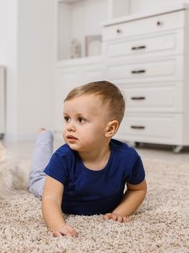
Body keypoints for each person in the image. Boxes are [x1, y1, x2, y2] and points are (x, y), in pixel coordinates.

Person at [29, 80, 147, 237]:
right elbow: (50, 198)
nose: (70, 126)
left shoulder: (128, 158)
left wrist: (121, 212)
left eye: (81, 120)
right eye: (67, 118)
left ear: (110, 128)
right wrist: (57, 226)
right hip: (53, 186)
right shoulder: (62, 157)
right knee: (37, 176)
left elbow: (138, 189)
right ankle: (44, 136)